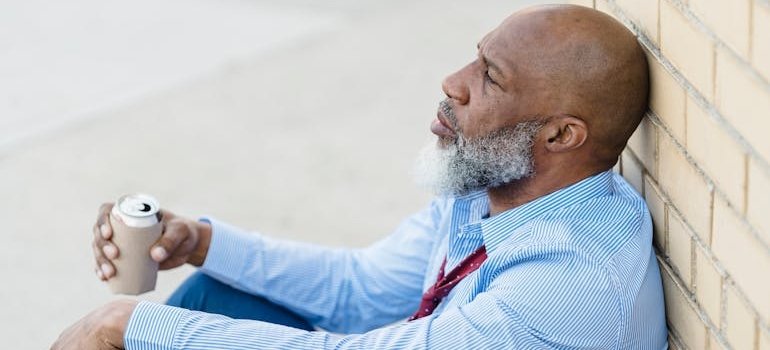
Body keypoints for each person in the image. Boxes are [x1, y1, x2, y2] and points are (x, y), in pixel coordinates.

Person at [52, 4, 668, 349]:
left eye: (490, 77)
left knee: (159, 334)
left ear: (560, 135)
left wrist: (133, 326)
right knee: (218, 297)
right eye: (475, 58)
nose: (453, 82)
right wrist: (201, 242)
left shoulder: (569, 281)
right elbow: (361, 291)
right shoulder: (499, 192)